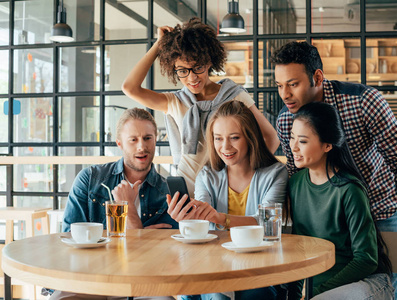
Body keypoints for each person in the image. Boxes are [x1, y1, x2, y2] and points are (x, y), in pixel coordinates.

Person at [271, 41, 397, 299]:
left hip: (379, 209)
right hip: (330, 221)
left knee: (382, 286)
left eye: (293, 84)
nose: (284, 94)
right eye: (279, 85)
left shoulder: (363, 101)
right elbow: (300, 177)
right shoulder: (286, 120)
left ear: (317, 77)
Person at [122, 17, 279, 196]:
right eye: (182, 71)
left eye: (197, 68)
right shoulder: (174, 102)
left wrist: (243, 173)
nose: (192, 78)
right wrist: (159, 44)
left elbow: (271, 138)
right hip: (185, 193)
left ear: (209, 62)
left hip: (226, 190)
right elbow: (130, 88)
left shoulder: (234, 95)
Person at [167, 101, 288, 300]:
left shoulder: (275, 173)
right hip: (214, 266)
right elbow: (203, 216)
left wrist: (222, 219)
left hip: (260, 266)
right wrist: (187, 219)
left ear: (250, 138)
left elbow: (266, 222)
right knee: (217, 295)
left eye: (234, 138)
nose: (225, 147)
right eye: (218, 138)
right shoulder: (206, 175)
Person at [53, 107, 177, 300]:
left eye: (147, 138)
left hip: (144, 281)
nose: (141, 147)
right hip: (90, 277)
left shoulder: (167, 191)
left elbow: (166, 257)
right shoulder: (90, 179)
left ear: (156, 140)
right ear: (120, 143)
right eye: (133, 140)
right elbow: (71, 237)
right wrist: (144, 237)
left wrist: (128, 208)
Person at [288, 101, 394, 299]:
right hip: (314, 289)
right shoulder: (295, 184)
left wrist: (316, 293)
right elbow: (298, 249)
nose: (293, 147)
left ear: (327, 145)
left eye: (302, 141)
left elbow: (366, 259)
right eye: (292, 137)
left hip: (364, 284)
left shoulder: (349, 190)